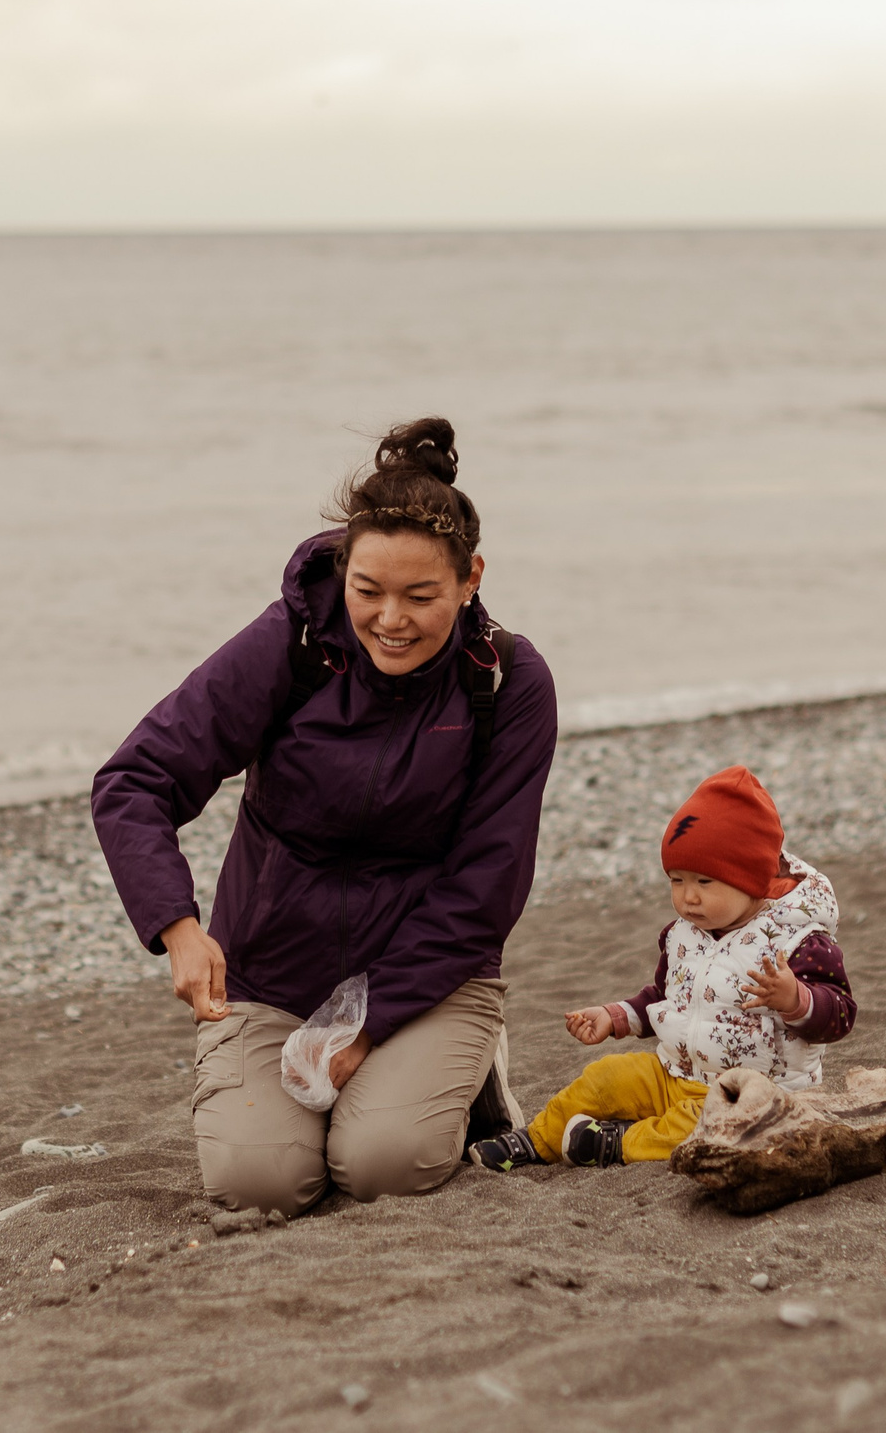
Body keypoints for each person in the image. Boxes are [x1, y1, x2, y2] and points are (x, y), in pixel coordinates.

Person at [92, 419, 559, 1215]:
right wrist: (176, 924)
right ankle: (369, 1091)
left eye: (421, 595)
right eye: (368, 590)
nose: (391, 619)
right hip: (273, 974)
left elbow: (484, 887)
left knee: (380, 1166)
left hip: (428, 981)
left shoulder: (509, 682)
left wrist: (368, 1027)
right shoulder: (292, 644)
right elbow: (135, 778)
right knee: (262, 1184)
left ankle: (462, 1069)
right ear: (344, 567)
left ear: (470, 576)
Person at [470, 765, 857, 1170]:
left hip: (752, 1095)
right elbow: (667, 996)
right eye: (676, 880)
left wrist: (796, 1000)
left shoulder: (798, 941)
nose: (688, 897)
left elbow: (841, 1014)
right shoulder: (683, 934)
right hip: (674, 1071)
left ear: (752, 878)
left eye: (705, 883)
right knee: (605, 1077)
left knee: (702, 1127)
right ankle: (535, 1142)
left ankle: (618, 1143)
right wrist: (616, 1016)